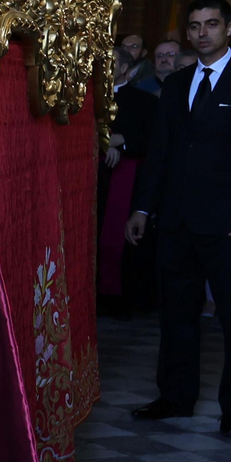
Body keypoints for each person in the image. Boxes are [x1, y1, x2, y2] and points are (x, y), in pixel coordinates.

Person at [126, 0, 231, 438]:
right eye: (195, 26)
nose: (202, 33)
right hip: (176, 221)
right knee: (176, 315)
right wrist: (142, 207)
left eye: (211, 24)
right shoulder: (176, 86)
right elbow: (159, 153)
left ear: (229, 29)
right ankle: (175, 397)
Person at [97, 50, 157, 308]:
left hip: (127, 178)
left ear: (125, 69)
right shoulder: (84, 97)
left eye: (111, 64)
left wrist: (122, 142)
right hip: (91, 179)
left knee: (121, 237)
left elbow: (153, 141)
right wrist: (102, 143)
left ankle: (119, 299)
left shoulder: (145, 101)